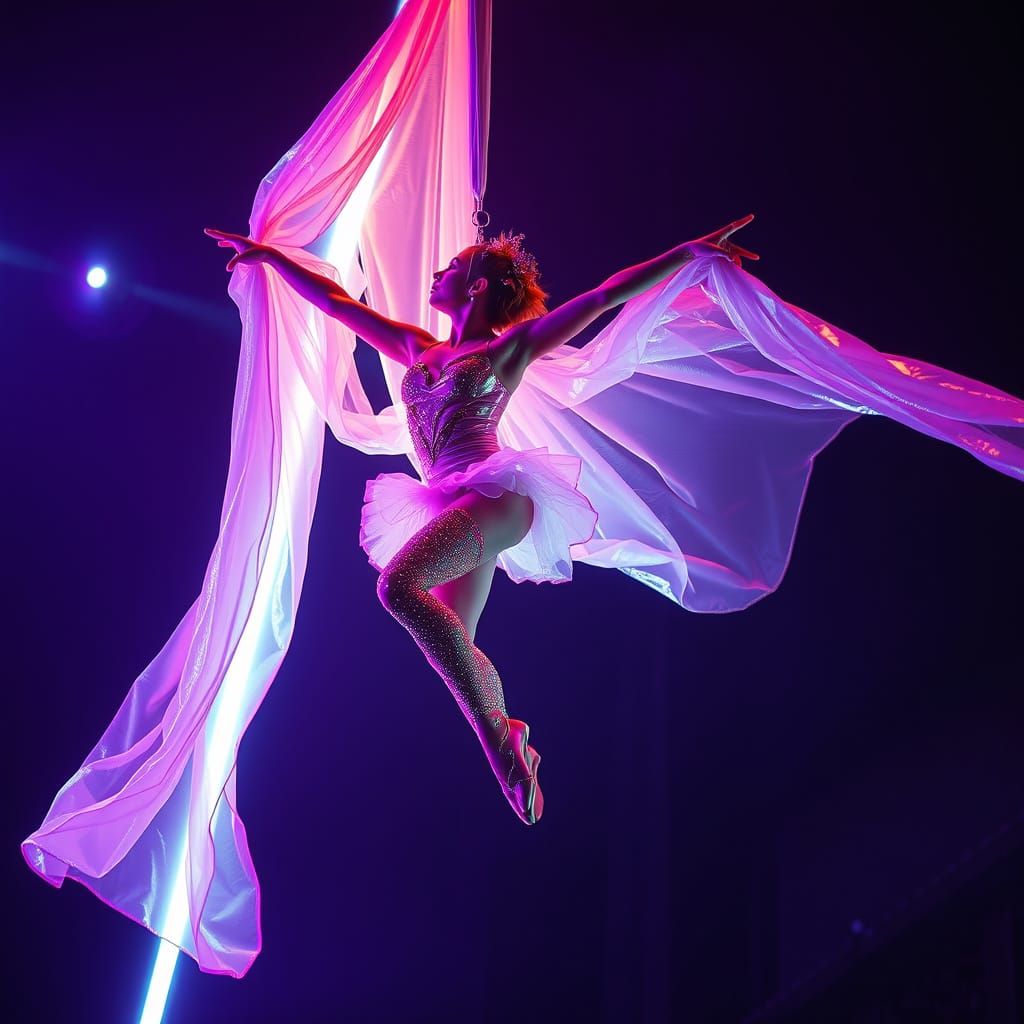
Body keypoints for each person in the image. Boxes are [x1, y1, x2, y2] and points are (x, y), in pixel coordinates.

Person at [204, 218, 759, 825]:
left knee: (396, 587)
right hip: (448, 503)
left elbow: (604, 296)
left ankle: (500, 748)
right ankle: (507, 736)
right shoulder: (418, 348)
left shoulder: (505, 350)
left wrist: (686, 252)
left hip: (497, 496)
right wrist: (271, 258)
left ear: (476, 287)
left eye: (451, 267)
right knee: (452, 643)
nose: (437, 273)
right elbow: (337, 302)